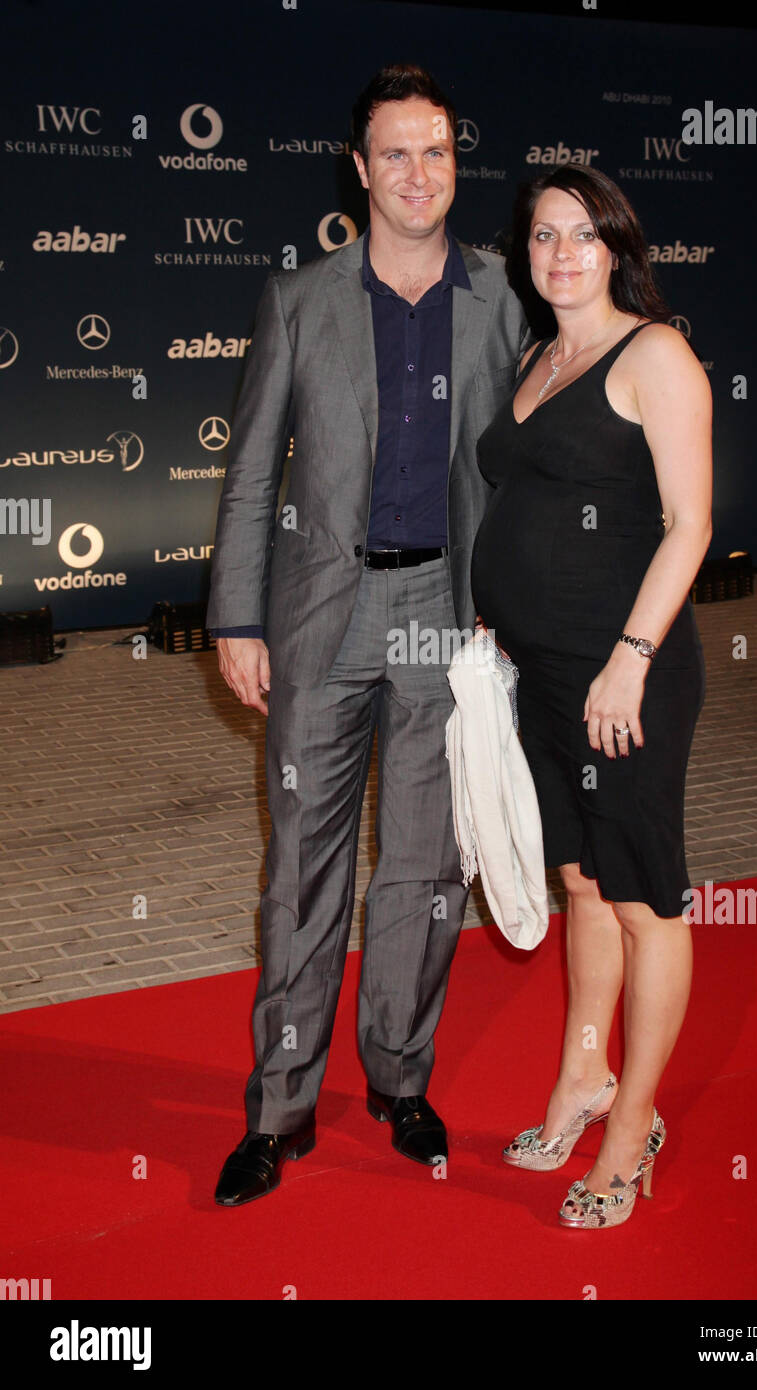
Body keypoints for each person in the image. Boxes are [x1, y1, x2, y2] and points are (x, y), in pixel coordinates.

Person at [207, 63, 528, 1206]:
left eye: (435, 150)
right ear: (359, 168)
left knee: (427, 866)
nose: (416, 173)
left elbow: (519, 468)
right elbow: (251, 477)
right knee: (303, 865)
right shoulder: (300, 300)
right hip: (320, 619)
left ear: (455, 162)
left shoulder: (500, 297)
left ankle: (398, 1076)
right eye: (394, 152)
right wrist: (237, 617)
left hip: (446, 613)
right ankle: (280, 1106)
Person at [470, 163, 712, 1229]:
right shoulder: (539, 354)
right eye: (542, 238)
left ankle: (632, 1131)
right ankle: (582, 1076)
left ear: (616, 246)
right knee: (578, 879)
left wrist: (632, 654)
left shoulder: (653, 353)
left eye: (581, 234)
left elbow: (689, 524)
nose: (561, 254)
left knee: (642, 898)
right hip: (542, 672)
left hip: (623, 674)